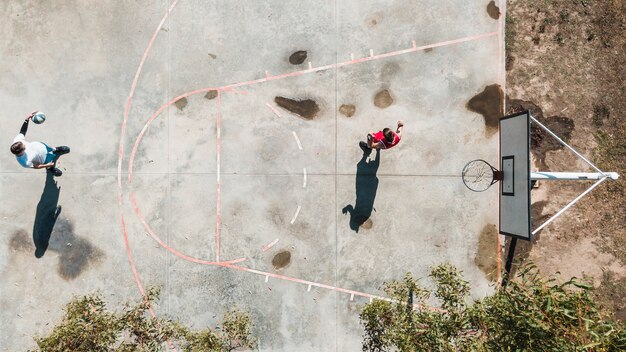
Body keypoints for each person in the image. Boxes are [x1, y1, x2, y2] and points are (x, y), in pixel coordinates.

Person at [10, 111, 70, 177]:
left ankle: (57, 149)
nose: (24, 144)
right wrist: (47, 165)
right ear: (21, 151)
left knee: (51, 148)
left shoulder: (17, 140)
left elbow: (23, 131)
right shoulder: (24, 162)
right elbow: (36, 166)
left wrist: (26, 120)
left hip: (42, 146)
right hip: (44, 158)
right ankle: (51, 169)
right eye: (23, 147)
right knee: (50, 163)